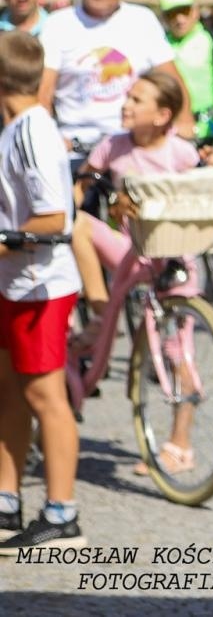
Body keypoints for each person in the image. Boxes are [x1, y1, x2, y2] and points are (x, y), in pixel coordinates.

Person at [67, 71, 211, 476]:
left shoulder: (180, 152)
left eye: (137, 99)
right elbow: (82, 190)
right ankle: (98, 309)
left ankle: (179, 445)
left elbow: (208, 186)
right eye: (127, 96)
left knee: (179, 351)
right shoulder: (112, 146)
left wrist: (209, 165)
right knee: (76, 224)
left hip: (174, 257)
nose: (126, 104)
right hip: (130, 252)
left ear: (163, 115)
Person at [0, 30, 82, 553]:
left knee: (45, 397)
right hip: (15, 284)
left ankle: (62, 510)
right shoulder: (16, 126)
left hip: (40, 286)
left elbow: (53, 215)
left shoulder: (32, 130)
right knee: (9, 389)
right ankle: (6, 496)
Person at [39, 0, 190, 153]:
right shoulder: (58, 24)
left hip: (133, 142)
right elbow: (43, 92)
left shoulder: (142, 20)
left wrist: (185, 124)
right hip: (74, 143)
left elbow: (171, 80)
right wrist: (46, 139)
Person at [158, 0, 213, 144]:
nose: (180, 19)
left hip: (204, 128)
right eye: (172, 14)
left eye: (185, 11)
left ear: (196, 11)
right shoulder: (159, 43)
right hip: (168, 129)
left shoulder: (210, 38)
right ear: (164, 17)